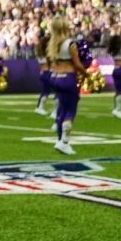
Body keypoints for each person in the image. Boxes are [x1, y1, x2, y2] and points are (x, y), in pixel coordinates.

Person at [47, 16, 85, 155]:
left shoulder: (52, 44)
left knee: (61, 110)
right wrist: (87, 74)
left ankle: (59, 140)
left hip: (55, 77)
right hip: (68, 77)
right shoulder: (70, 44)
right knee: (70, 110)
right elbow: (77, 64)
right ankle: (64, 142)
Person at [33, 24, 53, 117]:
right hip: (48, 72)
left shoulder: (39, 51)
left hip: (42, 72)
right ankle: (40, 107)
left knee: (45, 91)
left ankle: (39, 107)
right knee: (48, 92)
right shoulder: (46, 54)